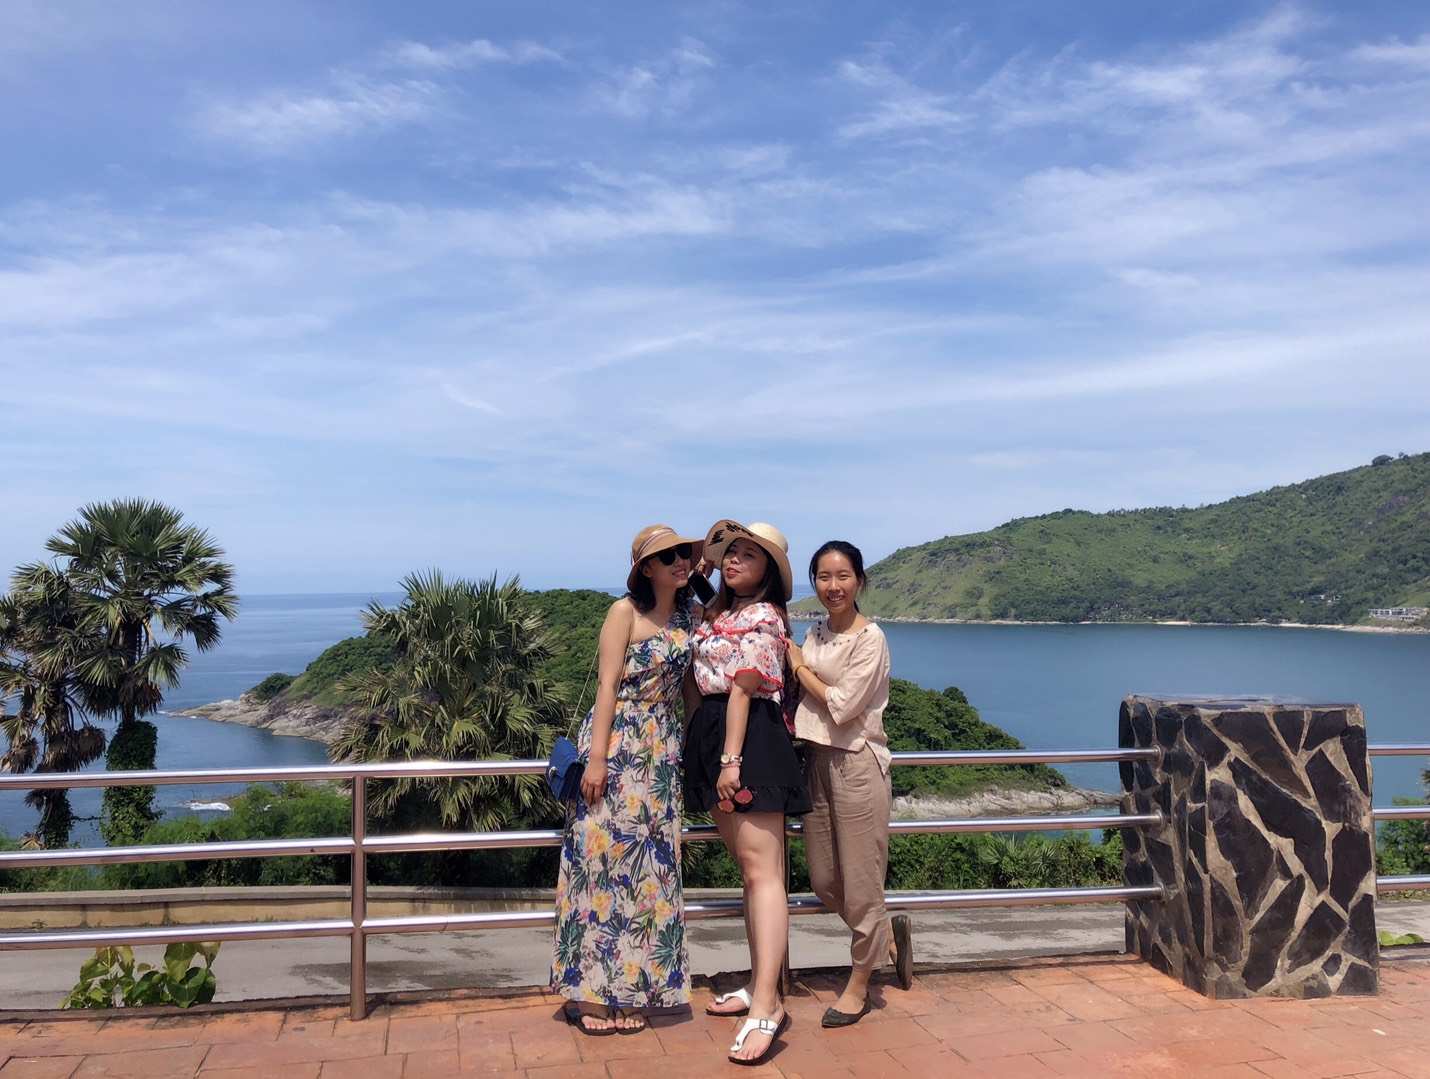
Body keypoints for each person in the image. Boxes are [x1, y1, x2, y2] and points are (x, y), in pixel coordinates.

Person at [550, 525, 702, 1035]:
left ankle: (635, 989)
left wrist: (697, 748)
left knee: (650, 873)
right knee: (599, 866)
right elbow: (606, 684)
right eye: (668, 556)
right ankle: (591, 993)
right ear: (646, 568)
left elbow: (690, 690)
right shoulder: (624, 612)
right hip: (618, 743)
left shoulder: (688, 615)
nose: (679, 561)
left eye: (683, 554)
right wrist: (597, 759)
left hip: (661, 753)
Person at [683, 519, 811, 1066]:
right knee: (750, 872)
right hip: (714, 735)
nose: (734, 561)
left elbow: (744, 687)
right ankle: (764, 986)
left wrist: (730, 760)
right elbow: (689, 589)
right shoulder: (719, 612)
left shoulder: (765, 616)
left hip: (748, 739)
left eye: (748, 556)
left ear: (769, 572)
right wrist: (705, 561)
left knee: (764, 874)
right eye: (730, 553)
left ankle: (766, 1005)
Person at [787, 540, 912, 1027]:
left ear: (859, 580)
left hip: (857, 763)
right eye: (824, 577)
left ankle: (859, 985)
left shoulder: (871, 638)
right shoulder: (815, 631)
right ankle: (885, 936)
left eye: (843, 576)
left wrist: (799, 666)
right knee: (824, 879)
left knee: (861, 884)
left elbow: (842, 705)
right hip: (815, 760)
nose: (833, 586)